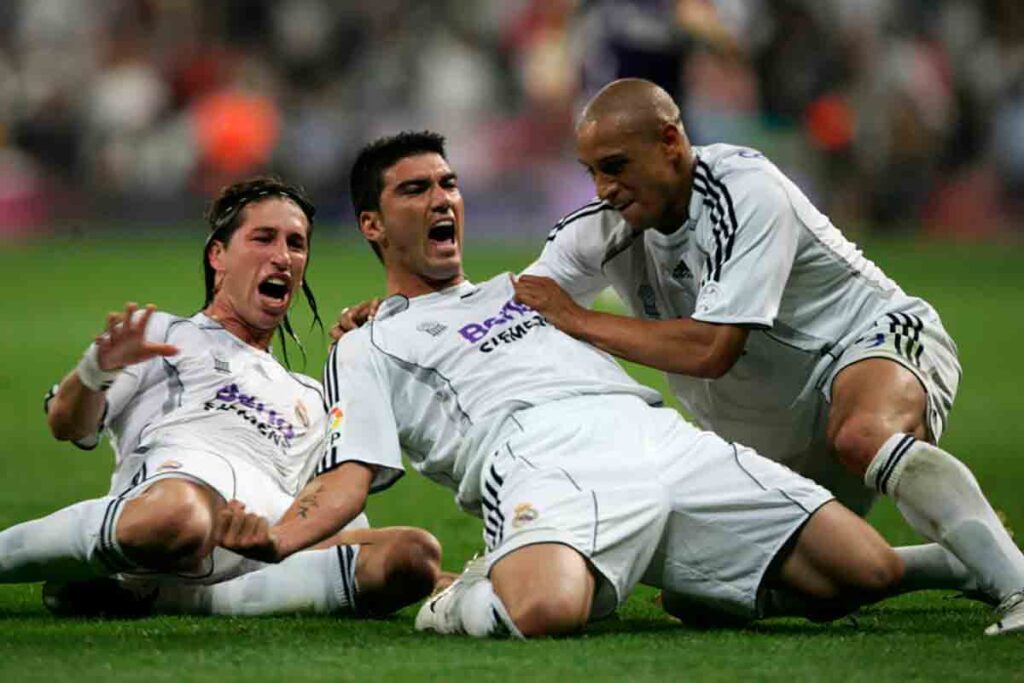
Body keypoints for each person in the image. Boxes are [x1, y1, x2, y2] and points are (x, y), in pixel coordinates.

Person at [220, 131, 918, 640]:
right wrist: (280, 540)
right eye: (416, 189)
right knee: (546, 612)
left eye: (448, 184)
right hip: (538, 455)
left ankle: (701, 580)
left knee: (868, 570)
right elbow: (349, 476)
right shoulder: (368, 343)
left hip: (653, 432)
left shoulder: (532, 287)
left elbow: (638, 213)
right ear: (372, 224)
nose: (442, 200)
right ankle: (461, 600)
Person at [514, 78, 1024, 636]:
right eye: (591, 171)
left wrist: (580, 320)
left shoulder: (744, 189)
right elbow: (521, 313)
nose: (604, 188)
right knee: (700, 597)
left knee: (862, 434)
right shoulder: (600, 228)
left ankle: (1016, 583)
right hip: (776, 435)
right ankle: (956, 562)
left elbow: (713, 348)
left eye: (615, 166)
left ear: (669, 142)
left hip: (866, 344)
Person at [0, 177, 440, 618]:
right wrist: (96, 371)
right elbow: (67, 424)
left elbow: (331, 509)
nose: (282, 257)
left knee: (414, 556)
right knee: (180, 516)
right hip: (174, 503)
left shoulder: (312, 395)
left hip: (261, 539)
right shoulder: (163, 336)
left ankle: (163, 593)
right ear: (218, 256)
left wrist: (366, 360)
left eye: (296, 244)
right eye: (263, 238)